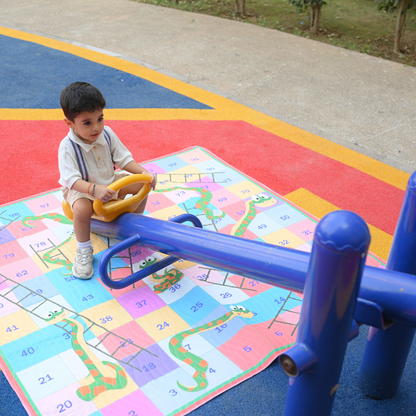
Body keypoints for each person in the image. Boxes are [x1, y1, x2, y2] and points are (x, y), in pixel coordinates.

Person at [58, 81, 156, 280]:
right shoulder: (67, 146)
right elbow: (70, 180)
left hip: (110, 182)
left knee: (141, 184)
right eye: (87, 123)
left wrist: (145, 173)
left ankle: (134, 223)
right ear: (70, 124)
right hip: (82, 190)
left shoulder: (107, 134)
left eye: (100, 119)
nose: (96, 127)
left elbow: (124, 159)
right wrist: (94, 190)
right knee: (82, 208)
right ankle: (84, 250)